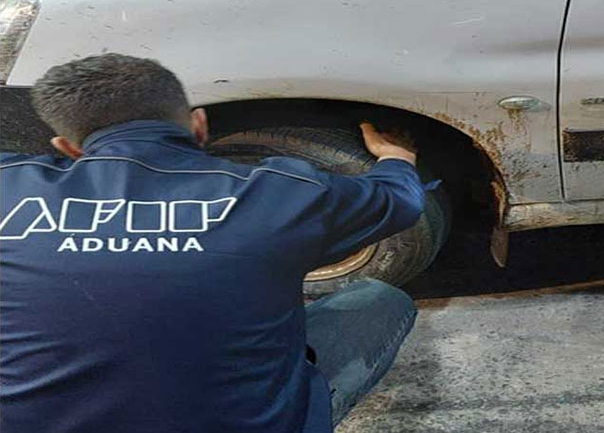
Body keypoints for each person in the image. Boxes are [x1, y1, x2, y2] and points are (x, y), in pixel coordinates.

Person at [0, 53, 426, 432]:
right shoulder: (283, 191)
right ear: (199, 124)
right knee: (378, 300)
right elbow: (401, 202)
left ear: (66, 147)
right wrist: (397, 158)